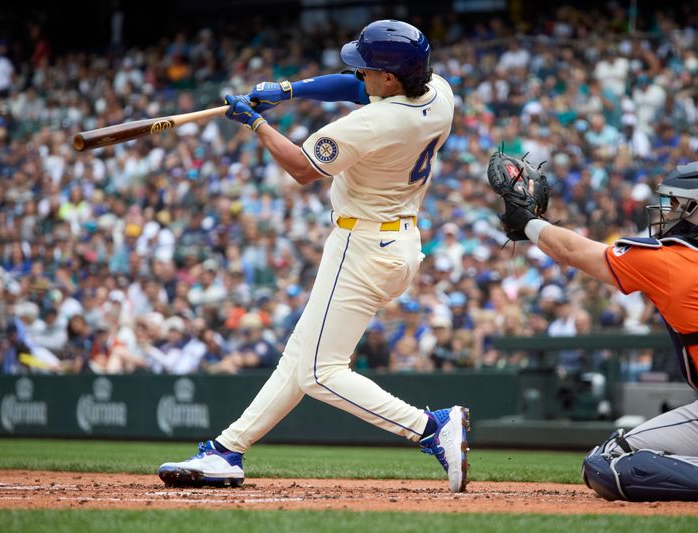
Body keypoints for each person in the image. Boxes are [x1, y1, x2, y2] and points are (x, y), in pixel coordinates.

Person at [158, 20, 469, 493]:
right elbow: (357, 86)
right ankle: (227, 450)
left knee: (320, 372)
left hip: (362, 247)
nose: (359, 74)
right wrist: (289, 89)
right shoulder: (437, 93)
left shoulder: (377, 121)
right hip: (394, 241)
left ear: (389, 78)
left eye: (368, 69)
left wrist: (256, 122)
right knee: (301, 359)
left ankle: (430, 428)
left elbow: (303, 169)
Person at [491, 158, 698, 501]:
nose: (668, 211)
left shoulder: (674, 261)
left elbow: (572, 251)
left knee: (608, 462)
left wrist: (526, 220)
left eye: (676, 203)